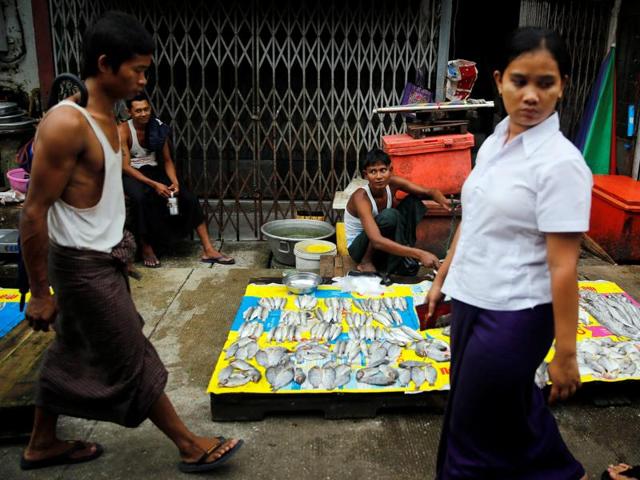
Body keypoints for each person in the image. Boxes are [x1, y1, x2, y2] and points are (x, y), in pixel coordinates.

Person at [19, 11, 242, 473]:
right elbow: (33, 211)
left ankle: (41, 442)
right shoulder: (66, 124)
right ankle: (187, 443)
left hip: (105, 257)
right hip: (81, 266)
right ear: (105, 64)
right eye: (137, 70)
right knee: (131, 352)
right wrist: (40, 292)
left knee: (73, 349)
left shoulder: (111, 118)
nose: (143, 82)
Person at [426, 27, 591, 479]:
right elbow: (473, 221)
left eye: (546, 83)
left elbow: (563, 265)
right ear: (499, 81)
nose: (532, 96)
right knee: (500, 411)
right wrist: (442, 280)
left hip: (518, 312)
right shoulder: (495, 143)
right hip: (472, 300)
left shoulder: (561, 164)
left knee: (474, 426)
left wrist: (567, 352)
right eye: (520, 81)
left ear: (563, 86)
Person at [119, 93, 234, 268]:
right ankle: (146, 246)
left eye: (146, 109)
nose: (143, 114)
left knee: (189, 198)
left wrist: (175, 182)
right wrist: (154, 184)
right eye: (138, 110)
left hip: (154, 169)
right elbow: (125, 166)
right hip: (132, 173)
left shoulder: (158, 128)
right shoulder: (123, 130)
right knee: (141, 199)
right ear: (129, 112)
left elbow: (167, 160)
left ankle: (208, 249)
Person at [344, 148, 450, 274]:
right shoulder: (361, 197)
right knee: (389, 216)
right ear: (365, 175)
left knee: (413, 202)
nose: (379, 177)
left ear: (390, 170)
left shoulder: (392, 184)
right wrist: (420, 254)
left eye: (383, 170)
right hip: (359, 249)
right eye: (373, 172)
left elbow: (428, 192)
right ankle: (366, 262)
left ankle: (404, 254)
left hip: (380, 242)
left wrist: (443, 200)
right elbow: (377, 240)